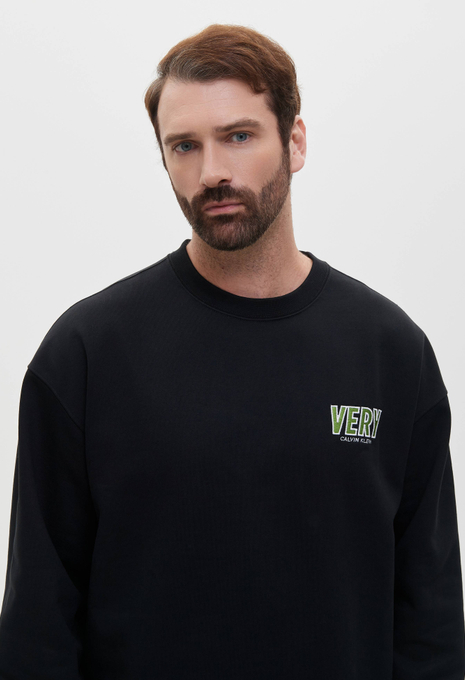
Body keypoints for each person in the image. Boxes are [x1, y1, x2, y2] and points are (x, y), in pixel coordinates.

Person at [0, 23, 464, 680]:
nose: (211, 172)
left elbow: (431, 623)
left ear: (294, 142)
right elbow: (36, 628)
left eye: (238, 136)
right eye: (184, 146)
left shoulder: (391, 353)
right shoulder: (86, 354)